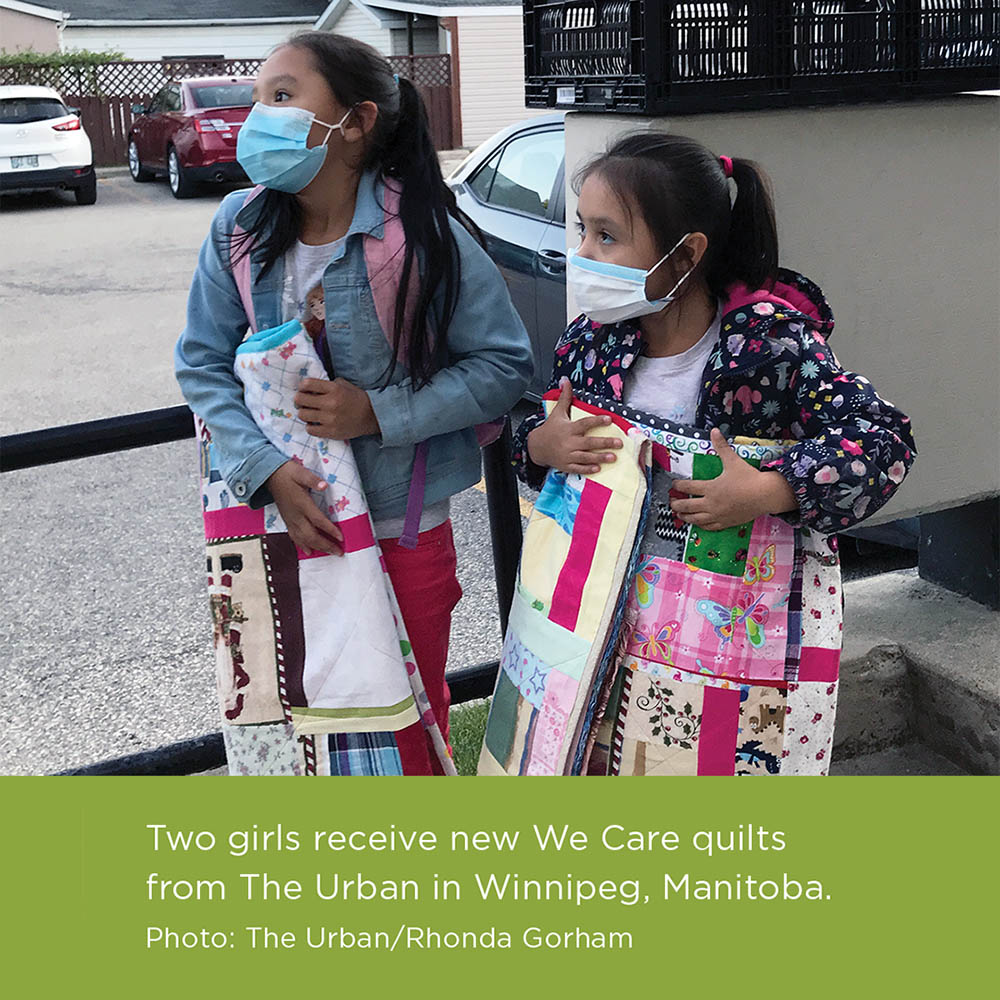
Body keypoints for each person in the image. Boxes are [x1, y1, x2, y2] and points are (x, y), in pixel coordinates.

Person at [175, 31, 533, 774]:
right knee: (290, 719)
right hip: (279, 530)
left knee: (404, 730)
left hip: (404, 534)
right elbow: (201, 362)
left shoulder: (426, 239)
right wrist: (266, 469)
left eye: (282, 96)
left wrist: (379, 412)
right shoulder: (238, 229)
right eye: (256, 99)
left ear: (358, 120)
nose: (258, 117)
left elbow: (502, 366)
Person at [510, 132, 916, 774]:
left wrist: (770, 489)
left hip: (726, 641)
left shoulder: (773, 347)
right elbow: (542, 432)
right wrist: (539, 444)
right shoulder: (591, 342)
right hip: (592, 622)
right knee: (589, 757)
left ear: (685, 253)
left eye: (606, 236)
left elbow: (883, 439)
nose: (581, 253)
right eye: (581, 230)